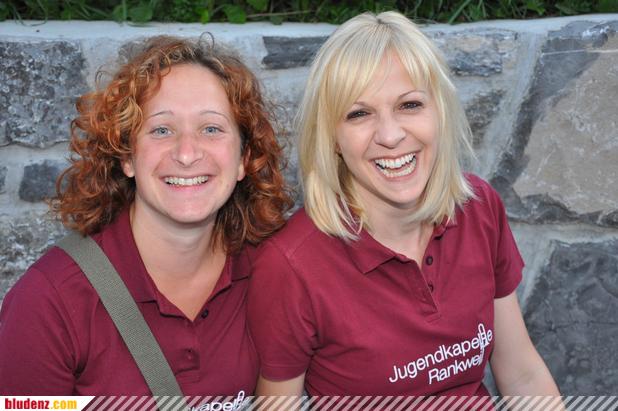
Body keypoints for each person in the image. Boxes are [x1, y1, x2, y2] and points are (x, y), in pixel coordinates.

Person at [247, 11, 560, 398]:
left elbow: (523, 374)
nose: (391, 135)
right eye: (359, 114)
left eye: (409, 105)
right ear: (332, 139)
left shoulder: (479, 209)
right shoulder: (290, 265)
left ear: (439, 111)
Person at [0, 35, 291, 395]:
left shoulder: (274, 272)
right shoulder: (48, 301)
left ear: (244, 159)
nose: (187, 154)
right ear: (127, 156)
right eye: (161, 130)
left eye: (211, 129)